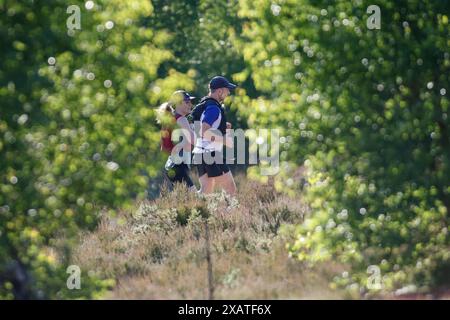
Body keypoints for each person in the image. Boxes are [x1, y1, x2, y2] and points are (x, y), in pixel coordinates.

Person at [191, 76, 237, 195]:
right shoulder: (213, 108)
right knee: (230, 189)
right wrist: (224, 140)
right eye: (227, 90)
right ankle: (228, 214)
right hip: (211, 154)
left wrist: (221, 125)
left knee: (206, 191)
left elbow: (201, 125)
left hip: (199, 153)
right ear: (220, 91)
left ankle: (185, 205)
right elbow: (204, 131)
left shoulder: (205, 104)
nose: (228, 93)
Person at [157, 90, 196, 190]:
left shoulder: (170, 119)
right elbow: (193, 140)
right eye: (187, 102)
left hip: (171, 167)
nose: (190, 105)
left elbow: (164, 149)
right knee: (194, 197)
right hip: (178, 167)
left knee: (184, 200)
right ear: (178, 103)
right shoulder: (181, 119)